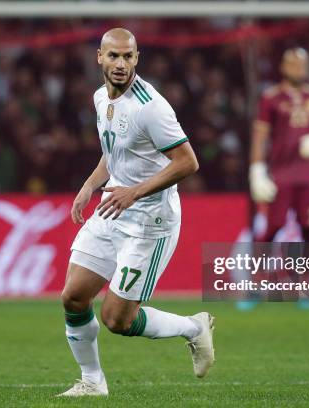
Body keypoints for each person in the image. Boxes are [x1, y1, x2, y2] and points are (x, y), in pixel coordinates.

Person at [59, 28, 215, 397]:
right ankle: (93, 382)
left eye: (128, 57)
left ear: (137, 58)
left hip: (150, 221)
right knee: (74, 297)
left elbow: (187, 162)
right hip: (113, 207)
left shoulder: (152, 107)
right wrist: (89, 185)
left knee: (117, 319)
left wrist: (135, 192)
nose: (121, 64)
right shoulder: (100, 98)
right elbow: (115, 151)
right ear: (99, 57)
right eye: (114, 56)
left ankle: (194, 328)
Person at [242, 48, 309, 311]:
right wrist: (257, 169)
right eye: (292, 63)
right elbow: (261, 137)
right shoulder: (271, 98)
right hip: (281, 175)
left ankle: (304, 287)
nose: (298, 68)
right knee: (272, 228)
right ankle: (256, 285)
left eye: (302, 64)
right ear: (283, 67)